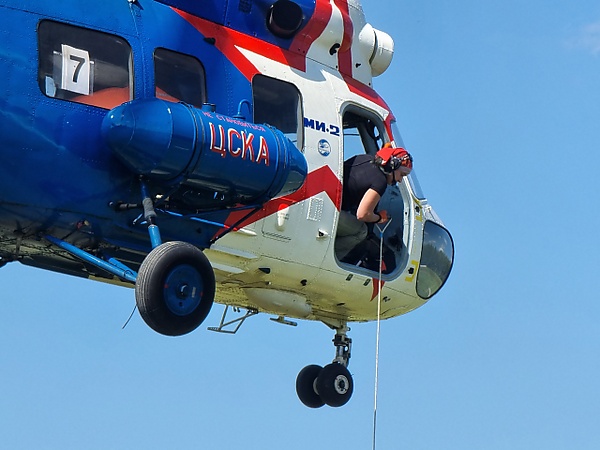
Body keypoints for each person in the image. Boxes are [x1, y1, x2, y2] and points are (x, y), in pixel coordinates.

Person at [335, 144, 413, 262]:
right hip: (332, 212)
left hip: (328, 200)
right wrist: (379, 218)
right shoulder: (380, 182)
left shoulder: (364, 158)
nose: (400, 180)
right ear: (393, 165)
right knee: (361, 231)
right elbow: (363, 214)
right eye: (401, 175)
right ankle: (325, 256)